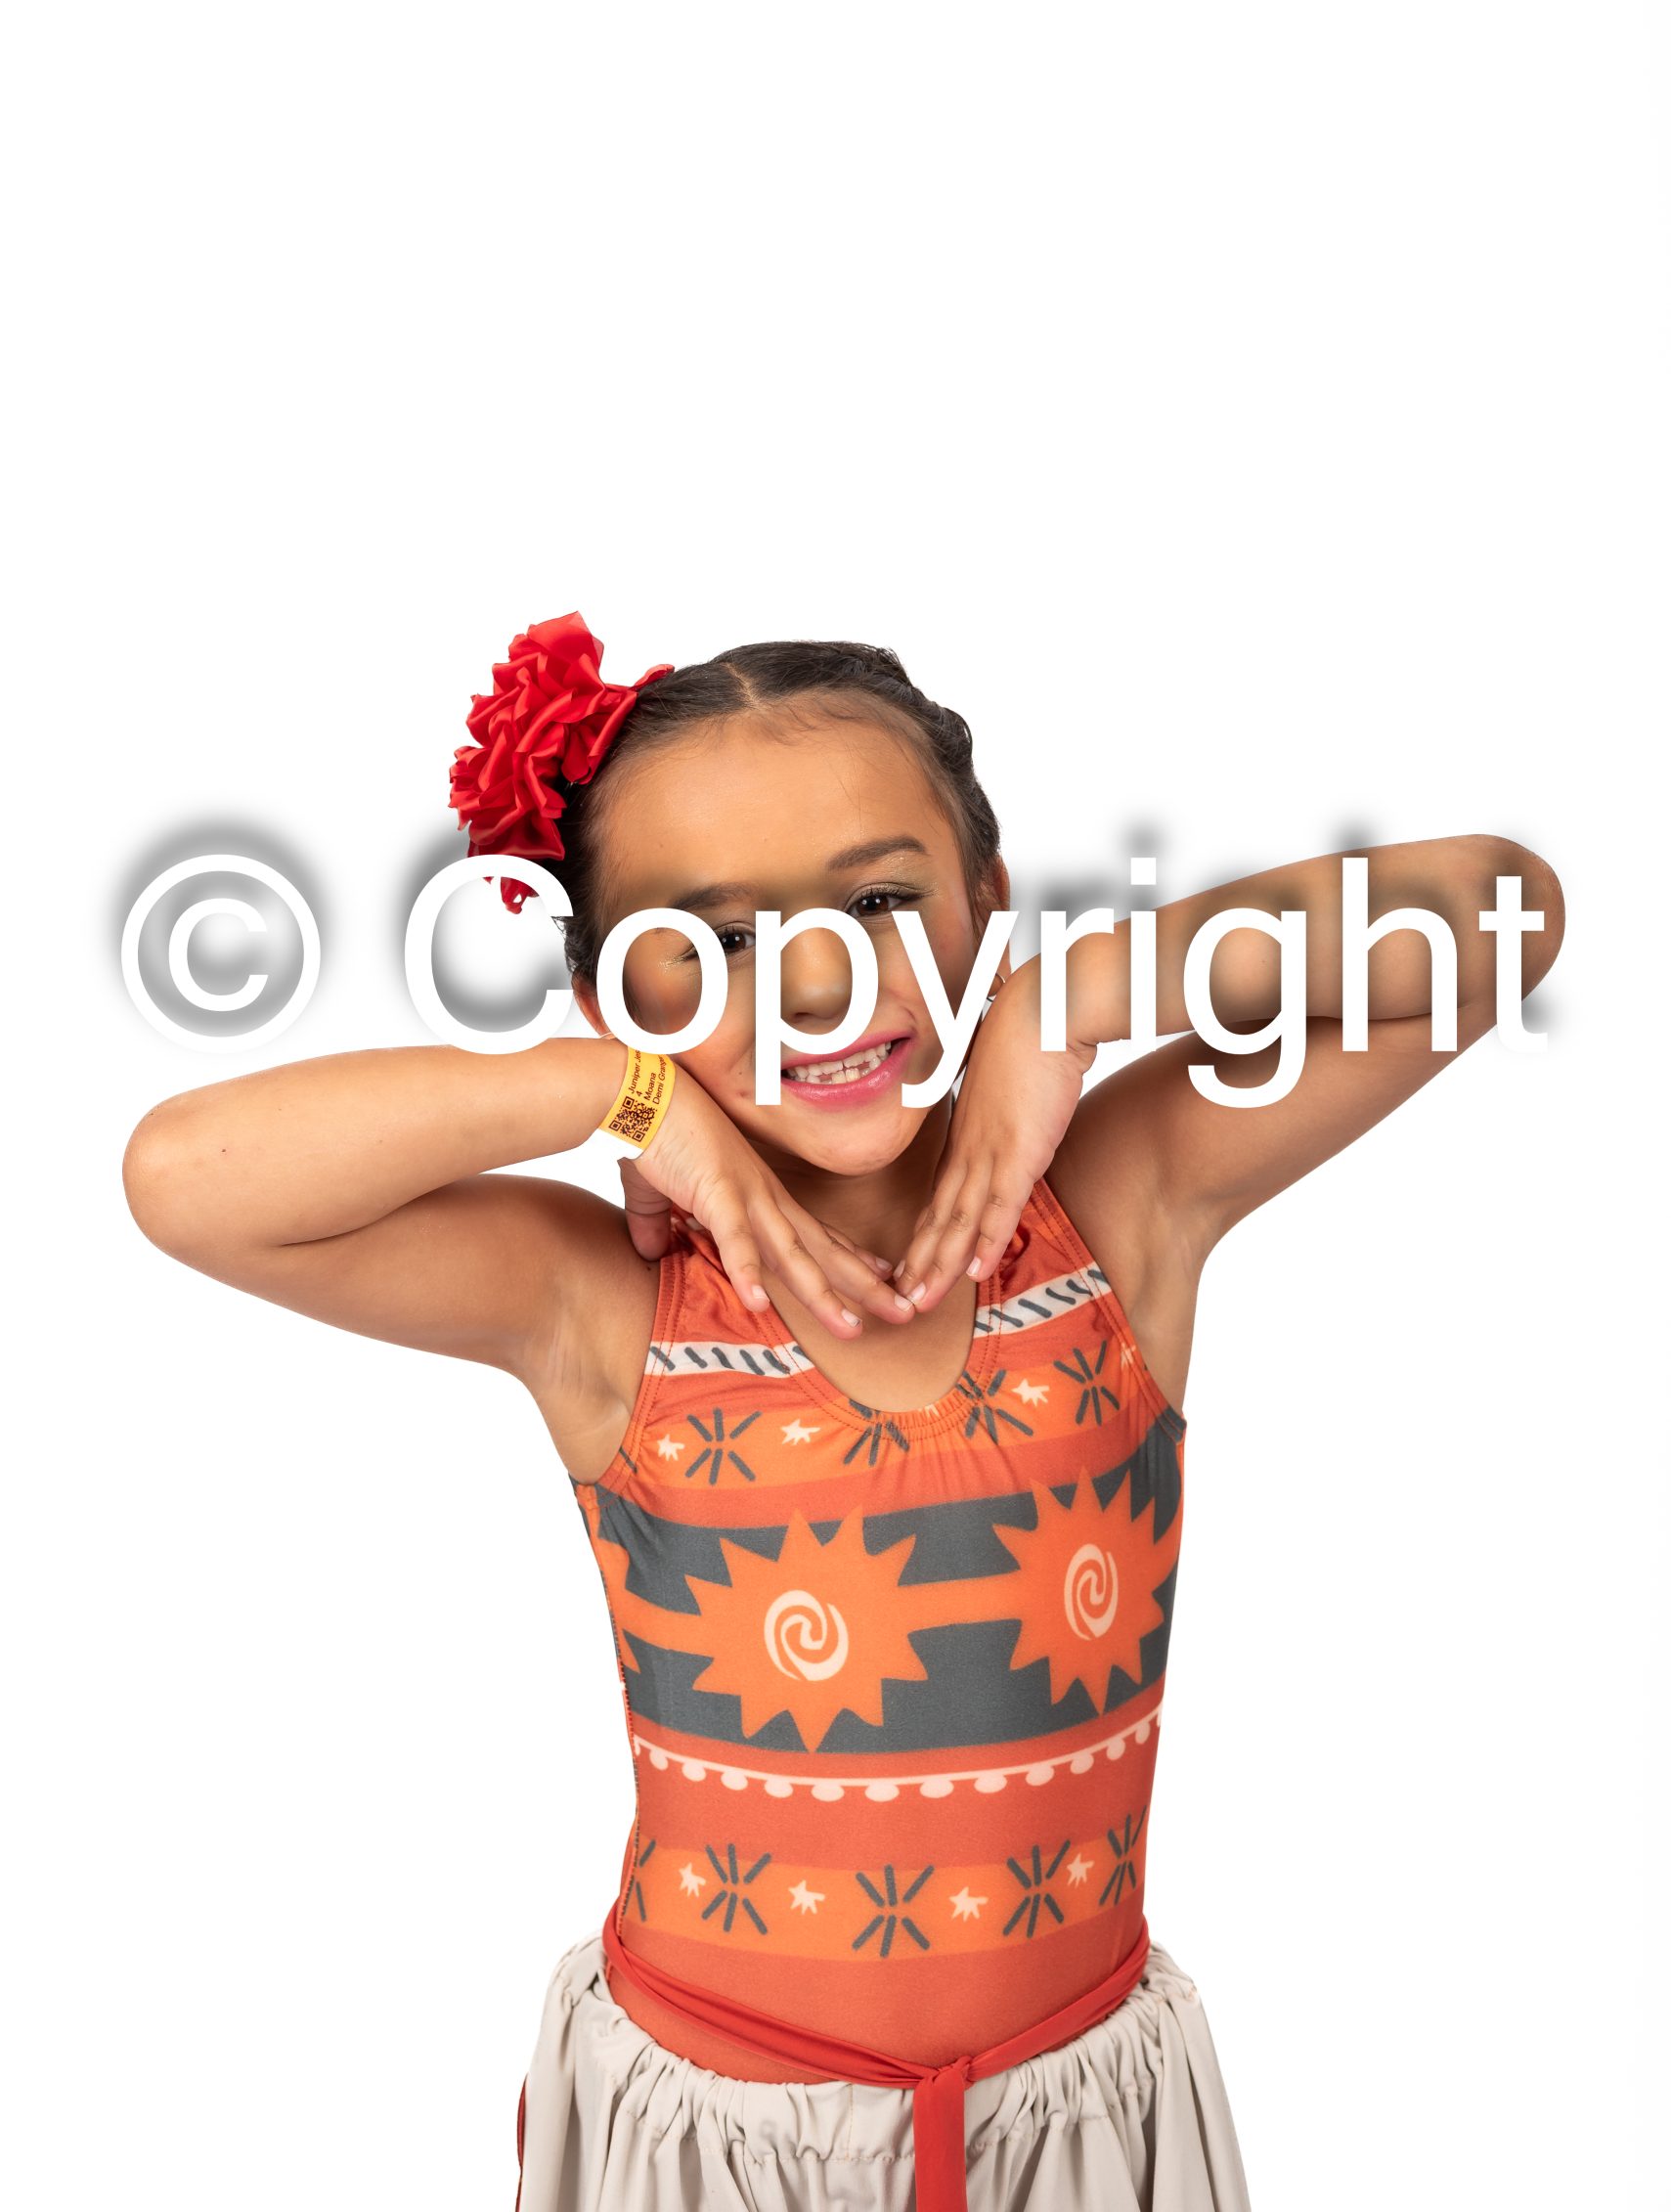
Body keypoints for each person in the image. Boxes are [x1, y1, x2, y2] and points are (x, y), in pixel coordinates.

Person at [122, 612, 1563, 2212]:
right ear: (612, 992)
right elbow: (187, 1182)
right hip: (709, 2140)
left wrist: (1072, 1001)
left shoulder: (1114, 1210)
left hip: (1077, 2127)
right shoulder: (608, 1304)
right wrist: (614, 1095)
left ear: (982, 906)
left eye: (879, 902)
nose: (817, 984)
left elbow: (1494, 914)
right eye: (713, 942)